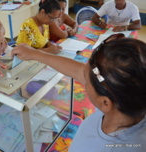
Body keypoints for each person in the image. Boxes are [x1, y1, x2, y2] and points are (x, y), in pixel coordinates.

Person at [12, 35, 146, 151]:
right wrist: (36, 54)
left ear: (105, 102)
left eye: (86, 81)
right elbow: (80, 71)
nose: (82, 77)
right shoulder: (129, 101)